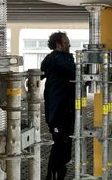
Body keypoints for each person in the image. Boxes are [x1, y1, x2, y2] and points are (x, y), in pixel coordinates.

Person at [41, 31, 76, 180]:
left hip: (58, 111)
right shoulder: (60, 60)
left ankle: (55, 176)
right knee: (61, 147)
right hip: (60, 111)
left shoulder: (52, 59)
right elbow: (76, 72)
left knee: (62, 146)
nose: (69, 45)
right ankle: (54, 177)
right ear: (58, 45)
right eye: (66, 43)